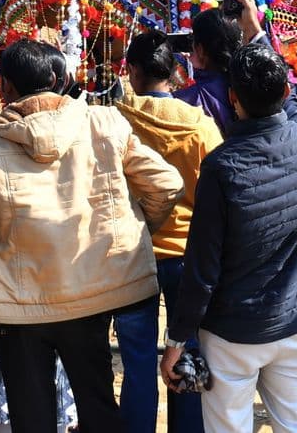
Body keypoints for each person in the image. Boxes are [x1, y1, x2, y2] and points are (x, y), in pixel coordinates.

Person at [0, 38, 183, 433]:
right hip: (93, 292)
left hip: (17, 303)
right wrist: (132, 230)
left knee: (31, 415)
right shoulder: (105, 123)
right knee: (98, 404)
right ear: (60, 79)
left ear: (5, 88)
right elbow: (166, 185)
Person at [168, 42, 297, 433]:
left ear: (232, 97)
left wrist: (176, 341)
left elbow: (203, 268)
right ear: (288, 92)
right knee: (296, 424)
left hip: (232, 334)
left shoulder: (222, 166)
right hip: (296, 322)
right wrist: (256, 36)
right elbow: (291, 105)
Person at [113, 32, 221, 433]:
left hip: (134, 253)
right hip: (189, 255)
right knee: (188, 353)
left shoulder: (117, 122)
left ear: (134, 72)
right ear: (175, 73)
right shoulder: (201, 126)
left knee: (137, 358)